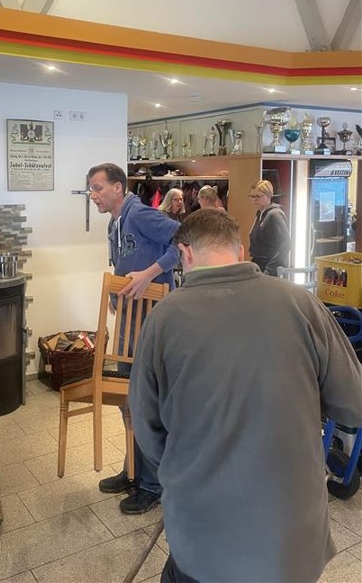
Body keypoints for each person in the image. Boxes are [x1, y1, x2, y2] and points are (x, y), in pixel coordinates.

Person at [129, 209, 362, 583]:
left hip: (204, 539)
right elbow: (354, 401)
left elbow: (145, 424)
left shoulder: (163, 318)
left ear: (185, 254)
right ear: (240, 252)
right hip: (293, 542)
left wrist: (184, 470)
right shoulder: (301, 303)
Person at [88, 163, 179, 515]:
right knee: (131, 401)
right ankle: (134, 471)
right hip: (130, 320)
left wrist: (149, 274)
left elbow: (183, 239)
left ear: (118, 187)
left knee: (146, 403)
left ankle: (153, 484)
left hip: (150, 321)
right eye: (91, 189)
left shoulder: (139, 213)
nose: (93, 195)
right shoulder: (116, 221)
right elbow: (125, 262)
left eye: (98, 188)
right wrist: (118, 288)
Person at [249, 179, 291, 275]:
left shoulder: (274, 214)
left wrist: (270, 269)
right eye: (252, 196)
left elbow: (286, 244)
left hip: (269, 265)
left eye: (258, 196)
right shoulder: (260, 213)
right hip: (259, 264)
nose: (254, 199)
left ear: (269, 196)